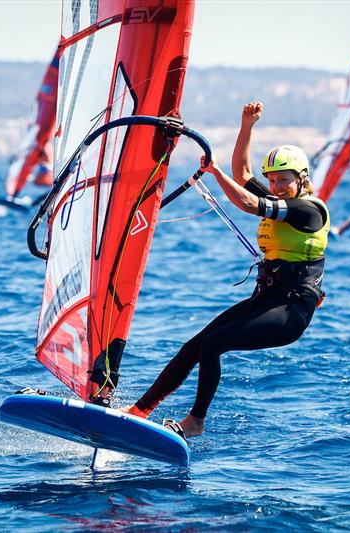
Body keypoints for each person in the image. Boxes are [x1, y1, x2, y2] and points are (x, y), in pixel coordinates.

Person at [121, 101, 329, 437]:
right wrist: (247, 126)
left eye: (283, 180)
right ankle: (138, 411)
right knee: (194, 345)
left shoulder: (308, 210)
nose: (276, 186)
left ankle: (195, 422)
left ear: (301, 179)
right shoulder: (280, 200)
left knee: (213, 345)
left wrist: (213, 173)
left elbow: (247, 201)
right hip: (266, 301)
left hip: (291, 312)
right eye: (272, 180)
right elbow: (244, 177)